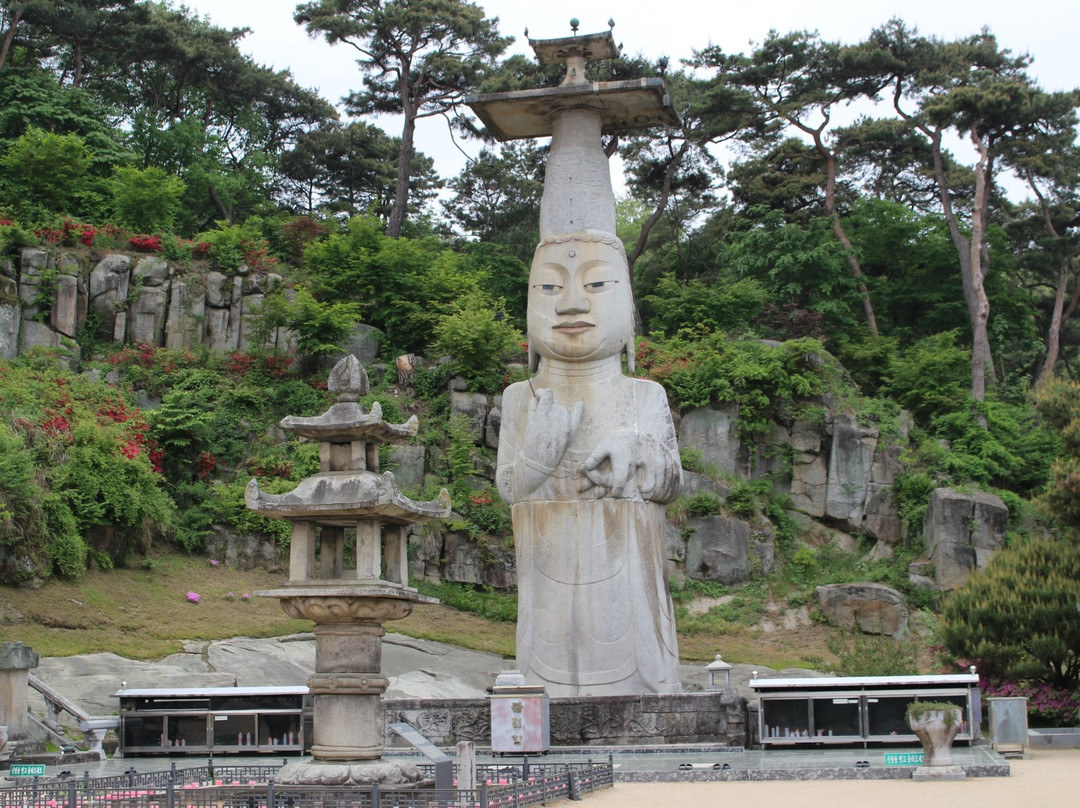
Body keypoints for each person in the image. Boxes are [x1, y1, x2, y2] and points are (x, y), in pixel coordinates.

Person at [496, 231, 682, 696]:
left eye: (597, 285)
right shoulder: (521, 398)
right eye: (549, 288)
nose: (571, 304)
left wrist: (636, 448)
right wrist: (538, 456)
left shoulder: (644, 395)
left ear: (630, 305)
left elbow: (671, 481)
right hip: (546, 585)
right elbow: (507, 486)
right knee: (543, 679)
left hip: (626, 584)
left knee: (638, 670)